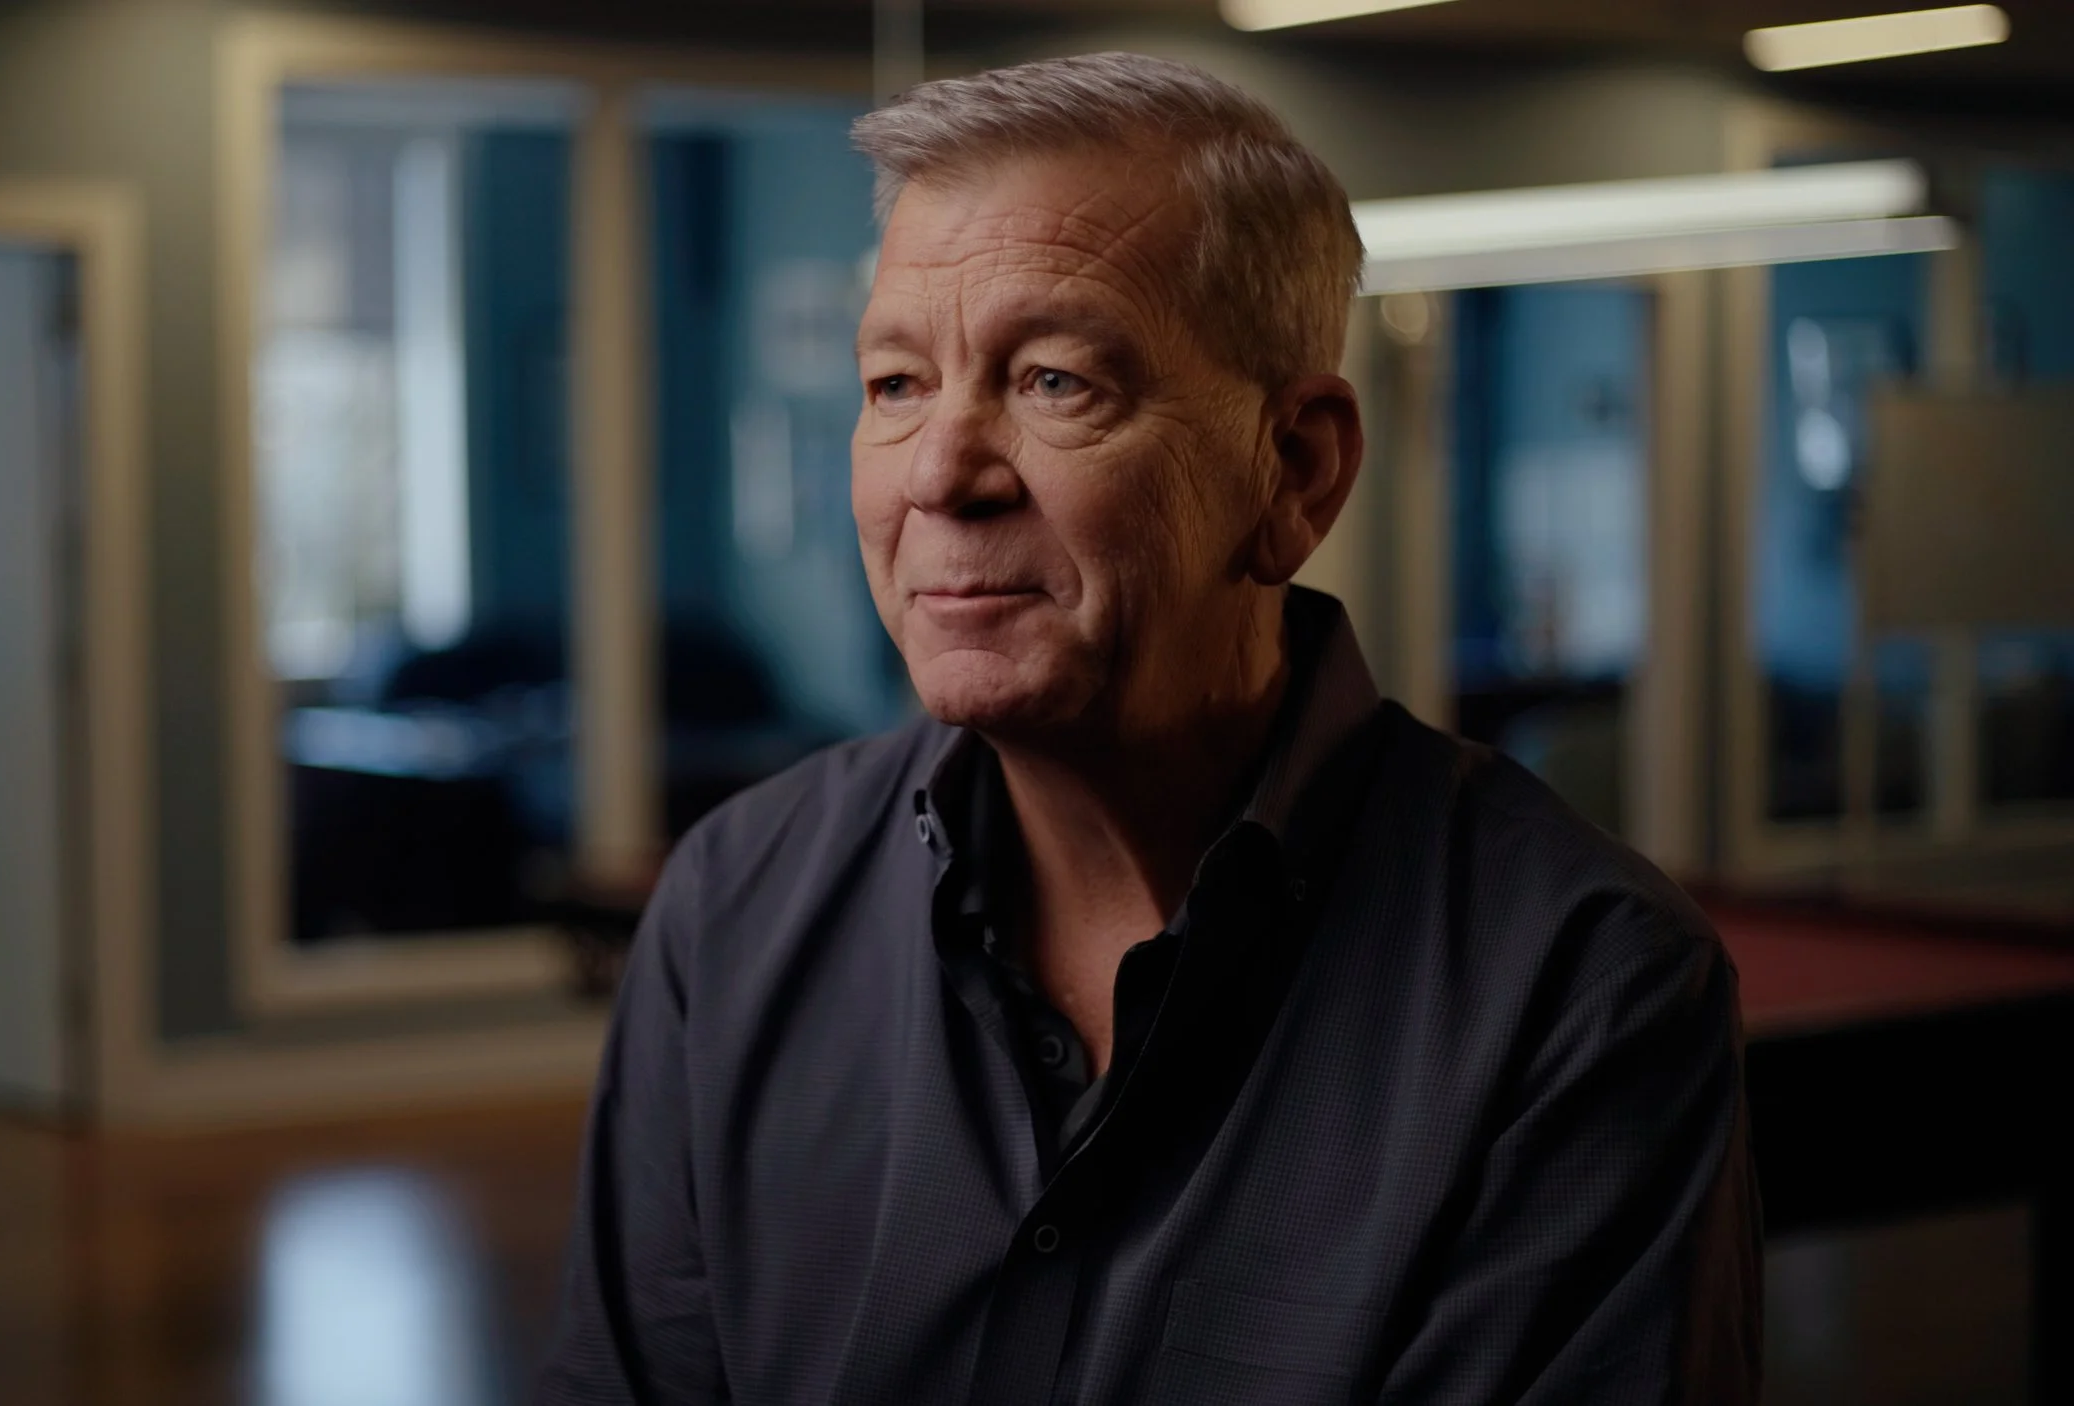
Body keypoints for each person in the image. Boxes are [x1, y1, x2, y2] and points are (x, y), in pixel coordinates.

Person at [539, 52, 1759, 1405]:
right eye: (895, 384)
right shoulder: (733, 910)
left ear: (1294, 472)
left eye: (1055, 380)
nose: (940, 470)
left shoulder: (1580, 992)